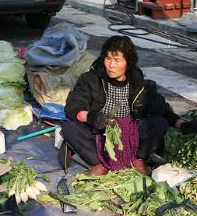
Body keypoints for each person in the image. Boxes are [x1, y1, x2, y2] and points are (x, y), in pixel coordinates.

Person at [62, 36, 189, 176]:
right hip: (99, 134)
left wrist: (181, 124)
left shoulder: (137, 83)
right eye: (108, 58)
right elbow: (73, 107)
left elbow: (160, 108)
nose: (111, 65)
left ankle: (137, 159)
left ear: (128, 63)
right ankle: (101, 163)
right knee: (70, 128)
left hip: (130, 134)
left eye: (117, 60)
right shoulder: (91, 79)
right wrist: (92, 117)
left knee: (159, 123)